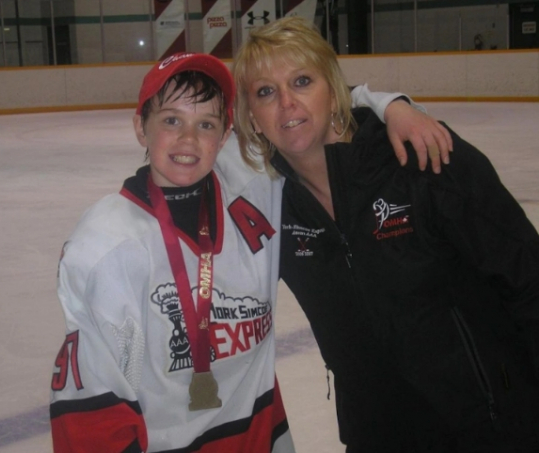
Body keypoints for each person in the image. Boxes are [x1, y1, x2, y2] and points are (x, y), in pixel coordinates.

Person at [48, 52, 455, 452]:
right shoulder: (107, 246)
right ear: (141, 127)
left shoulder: (252, 181)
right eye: (171, 120)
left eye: (206, 124)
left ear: (225, 135)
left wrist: (392, 106)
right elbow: (90, 418)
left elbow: (307, 109)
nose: (189, 139)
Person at [233, 17, 539, 453]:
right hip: (377, 438)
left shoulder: (422, 160)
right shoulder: (272, 209)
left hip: (490, 430)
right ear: (251, 116)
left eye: (302, 81)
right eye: (265, 91)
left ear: (332, 89)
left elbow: (528, 280)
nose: (286, 103)